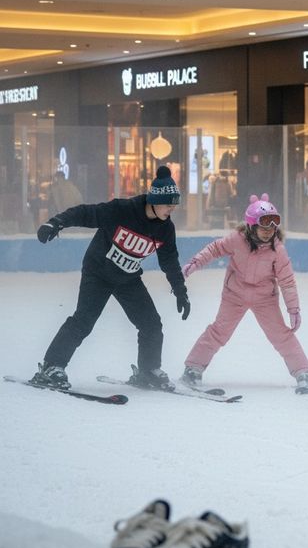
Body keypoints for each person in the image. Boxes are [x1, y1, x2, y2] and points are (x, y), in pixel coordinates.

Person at [32, 166, 190, 390]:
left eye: (174, 204)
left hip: (128, 278)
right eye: (168, 204)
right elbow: (86, 213)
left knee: (151, 324)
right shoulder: (122, 210)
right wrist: (56, 222)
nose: (172, 209)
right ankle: (51, 367)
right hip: (98, 273)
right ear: (153, 200)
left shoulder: (165, 229)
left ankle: (148, 371)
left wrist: (180, 290)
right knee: (83, 321)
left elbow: (170, 261)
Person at [180, 193, 308, 393]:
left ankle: (302, 371)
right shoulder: (237, 239)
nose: (268, 231)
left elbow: (287, 281)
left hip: (264, 299)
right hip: (235, 295)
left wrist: (293, 309)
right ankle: (193, 368)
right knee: (219, 331)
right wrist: (195, 263)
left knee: (280, 335)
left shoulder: (278, 250)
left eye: (272, 227)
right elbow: (214, 249)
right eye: (263, 226)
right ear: (251, 226)